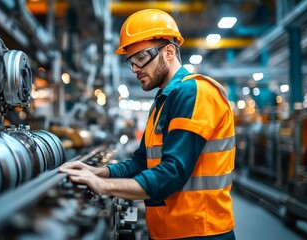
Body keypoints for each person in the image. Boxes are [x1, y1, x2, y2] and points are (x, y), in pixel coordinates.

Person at [60, 9, 236, 240]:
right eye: (131, 62)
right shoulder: (163, 100)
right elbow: (142, 161)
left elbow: (173, 172)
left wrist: (104, 186)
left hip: (200, 232)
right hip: (168, 231)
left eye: (141, 58)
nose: (135, 69)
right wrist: (100, 172)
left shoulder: (195, 92)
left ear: (169, 52)